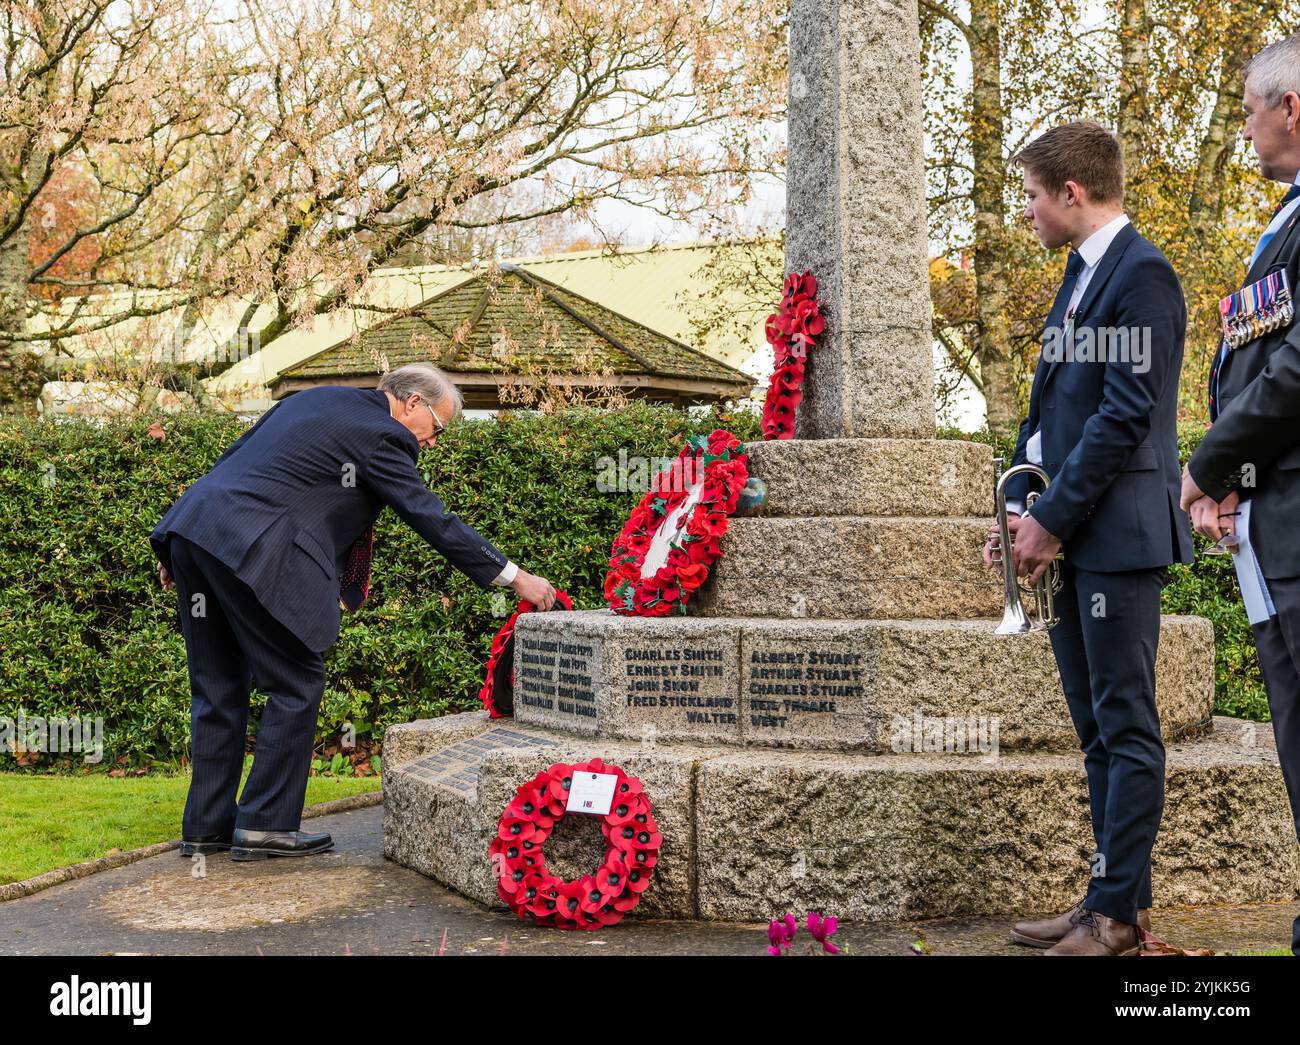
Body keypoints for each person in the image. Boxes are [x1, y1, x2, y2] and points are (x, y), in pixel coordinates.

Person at [151, 363, 557, 861]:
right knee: (296, 682)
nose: (432, 442)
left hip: (193, 533)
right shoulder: (384, 436)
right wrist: (516, 577)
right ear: (412, 403)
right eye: (438, 427)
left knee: (217, 687)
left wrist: (174, 550)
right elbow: (431, 517)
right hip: (251, 546)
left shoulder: (314, 400)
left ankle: (207, 828)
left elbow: (232, 460)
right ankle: (264, 826)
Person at [983, 121, 1193, 955]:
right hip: (1071, 537)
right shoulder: (1078, 276)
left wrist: (1051, 519)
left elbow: (1122, 416)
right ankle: (1112, 905)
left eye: (1032, 195)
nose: (1028, 212)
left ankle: (1114, 919)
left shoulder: (1143, 276)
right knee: (1096, 731)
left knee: (1127, 726)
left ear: (1072, 192)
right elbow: (1051, 417)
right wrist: (1017, 504)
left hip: (1118, 539)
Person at [1179, 32, 1300, 958]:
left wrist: (1209, 464)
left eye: (1250, 109)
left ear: (1289, 108)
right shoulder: (1284, 220)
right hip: (1272, 525)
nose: (1245, 128)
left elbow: (1294, 372)